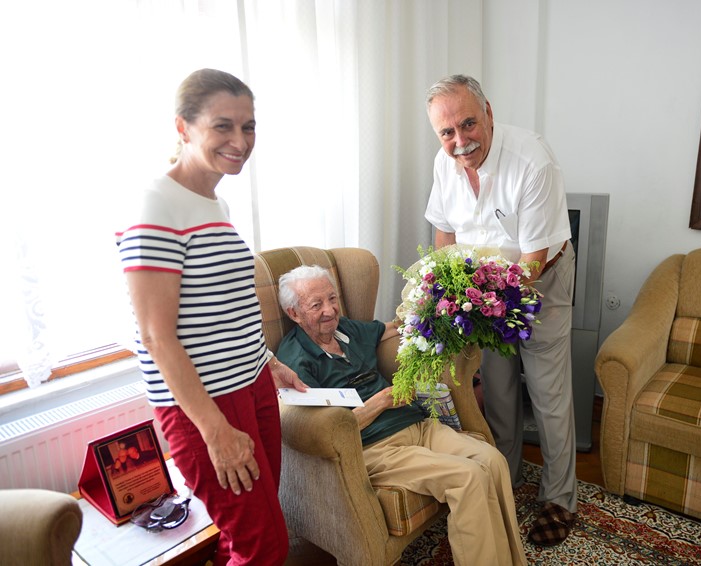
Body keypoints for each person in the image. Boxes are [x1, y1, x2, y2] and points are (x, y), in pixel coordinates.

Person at [115, 68, 307, 565]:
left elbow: (222, 309)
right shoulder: (155, 204)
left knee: (243, 539)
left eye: (249, 127)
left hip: (252, 386)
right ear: (183, 128)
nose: (240, 141)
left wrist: (266, 361)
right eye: (223, 126)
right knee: (264, 546)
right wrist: (215, 430)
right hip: (208, 406)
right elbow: (157, 337)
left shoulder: (213, 203)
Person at [275, 265, 527, 566]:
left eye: (332, 298)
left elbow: (393, 328)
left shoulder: (348, 330)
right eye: (316, 305)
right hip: (375, 447)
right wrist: (380, 402)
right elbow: (325, 432)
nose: (330, 310)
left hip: (415, 424)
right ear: (294, 313)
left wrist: (434, 312)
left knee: (493, 461)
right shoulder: (295, 362)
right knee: (469, 477)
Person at [423, 74, 578, 546]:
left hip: (540, 279)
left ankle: (559, 497)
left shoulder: (533, 160)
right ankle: (505, 476)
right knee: (499, 386)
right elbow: (444, 234)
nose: (459, 140)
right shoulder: (444, 161)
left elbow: (533, 259)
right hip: (485, 290)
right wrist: (450, 290)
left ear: (488, 113)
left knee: (548, 394)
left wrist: (486, 303)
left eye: (468, 124)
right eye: (446, 132)